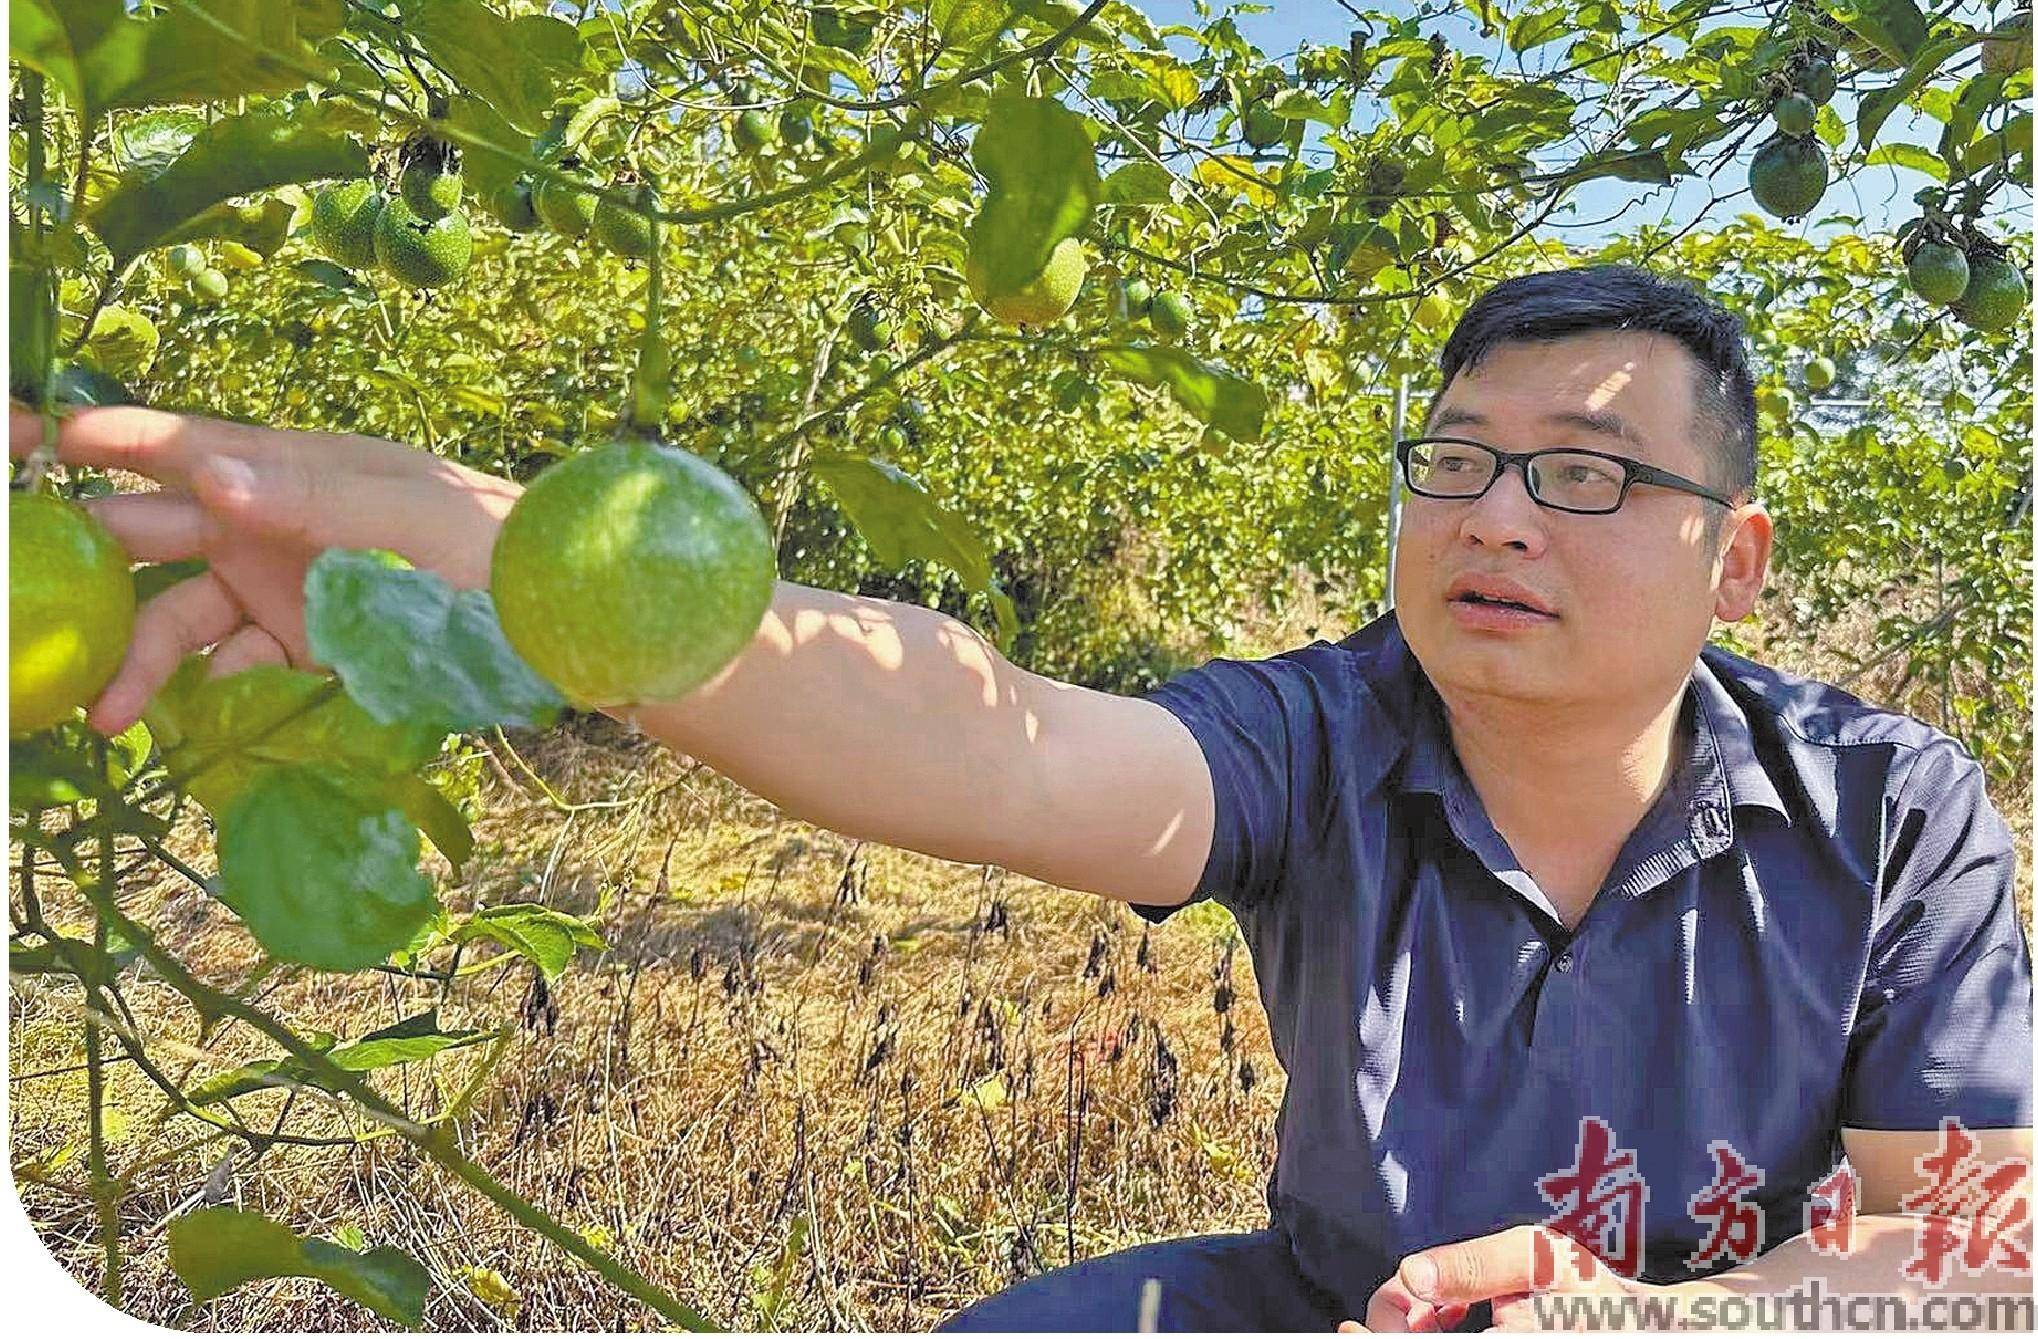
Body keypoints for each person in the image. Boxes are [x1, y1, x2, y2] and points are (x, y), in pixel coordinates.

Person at [11, 266, 2030, 1331]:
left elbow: (1963, 1264)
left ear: (1733, 562)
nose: (1496, 514)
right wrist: (446, 537)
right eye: (1453, 459)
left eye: (1582, 472)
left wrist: (1628, 1331)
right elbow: (988, 738)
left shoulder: (1882, 808)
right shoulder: (1324, 734)